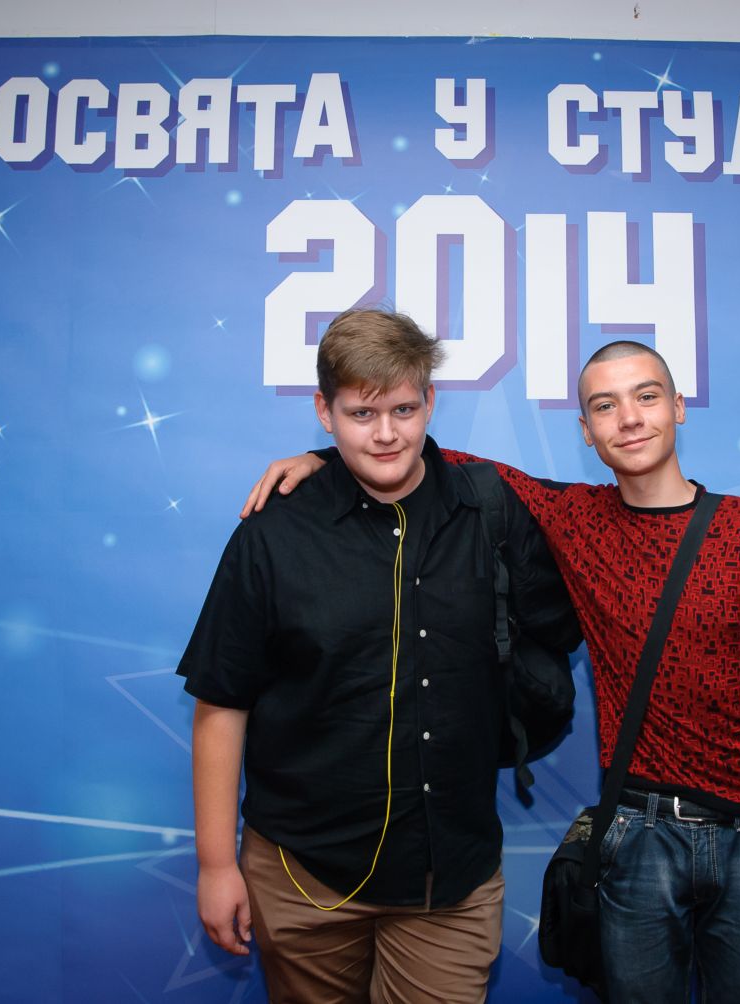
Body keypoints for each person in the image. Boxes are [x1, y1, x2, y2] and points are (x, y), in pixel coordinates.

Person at [246, 340, 740, 1003]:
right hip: (637, 834)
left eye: (647, 397)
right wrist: (327, 459)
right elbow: (428, 458)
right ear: (586, 431)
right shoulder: (574, 517)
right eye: (605, 406)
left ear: (678, 407)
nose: (629, 418)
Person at [177, 308, 580, 1003]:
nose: (386, 433)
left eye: (403, 409)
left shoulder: (491, 510)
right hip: (302, 877)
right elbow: (222, 702)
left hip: (450, 882)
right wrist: (216, 865)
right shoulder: (273, 533)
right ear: (324, 412)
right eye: (361, 413)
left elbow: (572, 603)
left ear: (430, 402)